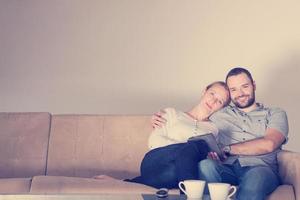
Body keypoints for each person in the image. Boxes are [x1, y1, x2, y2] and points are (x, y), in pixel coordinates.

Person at [151, 67, 288, 200]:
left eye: (245, 86)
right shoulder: (220, 113)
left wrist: (228, 149)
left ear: (254, 85)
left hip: (260, 168)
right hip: (226, 167)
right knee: (205, 165)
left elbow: (269, 144)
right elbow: (194, 120)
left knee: (256, 177)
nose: (240, 93)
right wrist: (163, 118)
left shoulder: (275, 113)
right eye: (233, 89)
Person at [125, 81, 230, 189]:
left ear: (221, 108)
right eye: (212, 94)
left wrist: (212, 158)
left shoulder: (214, 129)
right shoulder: (171, 113)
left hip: (175, 174)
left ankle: (133, 182)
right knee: (196, 145)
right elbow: (154, 142)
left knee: (178, 170)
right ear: (204, 92)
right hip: (155, 162)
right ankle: (191, 193)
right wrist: (188, 149)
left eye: (219, 101)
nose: (213, 101)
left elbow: (208, 159)